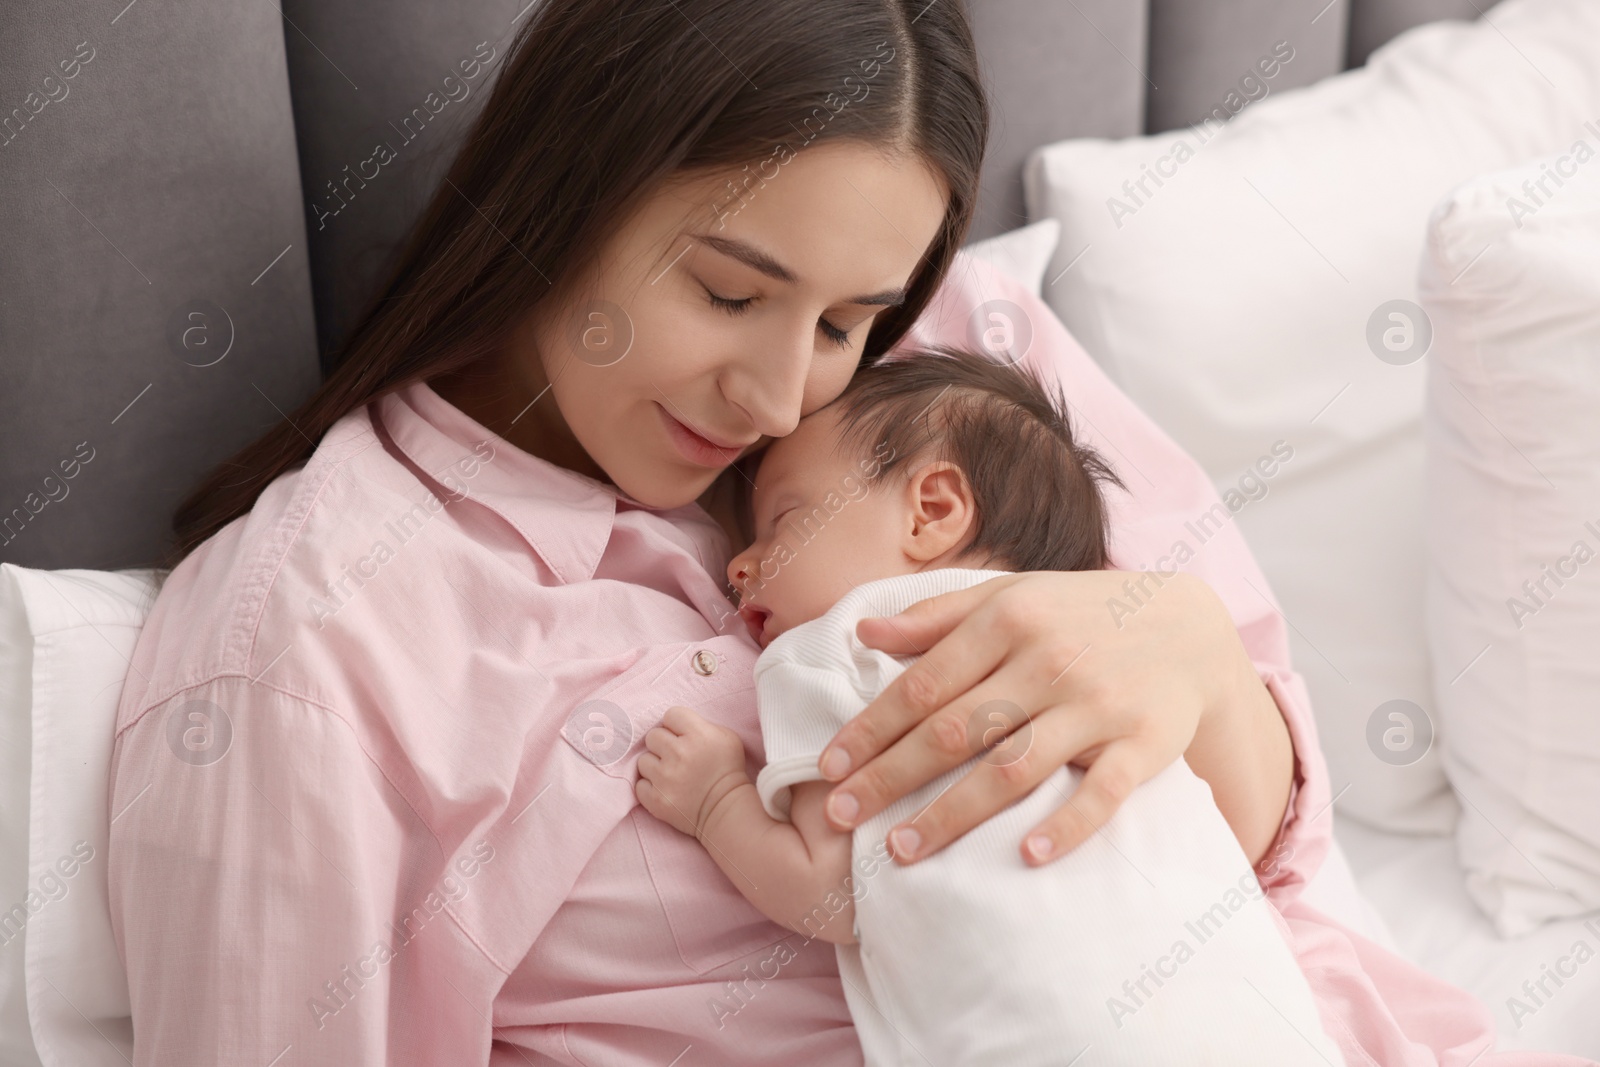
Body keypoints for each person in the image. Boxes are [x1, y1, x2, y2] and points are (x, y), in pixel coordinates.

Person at [105, 0, 1576, 1063]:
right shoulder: (312, 646)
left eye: (847, 320)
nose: (778, 390)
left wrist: (1175, 644)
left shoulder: (950, 365)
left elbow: (1282, 866)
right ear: (566, 193)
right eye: (731, 293)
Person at [635, 345, 1342, 1064]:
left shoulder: (834, 646)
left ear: (932, 511)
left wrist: (714, 800)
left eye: (784, 520)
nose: (738, 566)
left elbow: (830, 891)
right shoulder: (1107, 662)